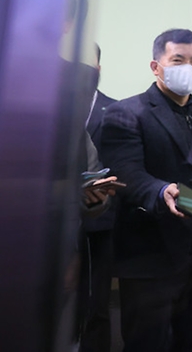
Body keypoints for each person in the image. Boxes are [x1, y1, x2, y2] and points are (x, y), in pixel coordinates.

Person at [100, 28, 192, 352]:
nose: (187, 68)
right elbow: (127, 173)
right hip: (151, 257)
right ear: (155, 66)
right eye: (177, 60)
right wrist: (162, 191)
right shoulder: (126, 112)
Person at [78, 43, 120, 352]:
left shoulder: (117, 111)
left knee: (96, 305)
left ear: (99, 69)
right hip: (53, 226)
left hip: (100, 223)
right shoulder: (46, 109)